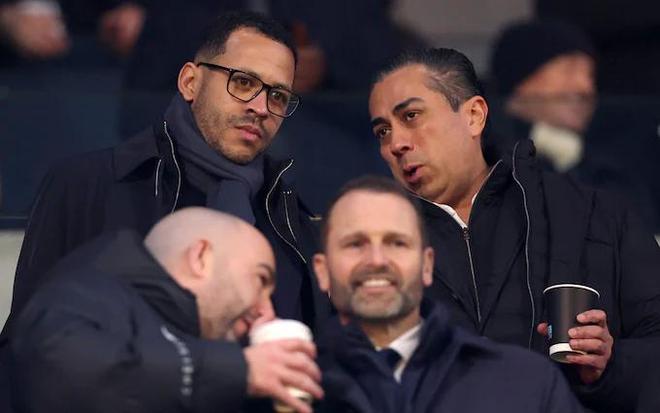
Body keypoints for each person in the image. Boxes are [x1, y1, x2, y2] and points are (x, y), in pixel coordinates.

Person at [1, 11, 331, 409]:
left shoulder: (291, 220)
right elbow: (26, 350)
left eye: (277, 96)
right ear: (190, 81)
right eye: (243, 82)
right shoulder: (88, 183)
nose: (261, 107)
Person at [367, 47, 660, 412]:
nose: (396, 144)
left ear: (474, 115)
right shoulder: (373, 251)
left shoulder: (596, 214)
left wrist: (609, 364)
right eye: (382, 131)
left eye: (411, 116)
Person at [10, 207, 323, 413]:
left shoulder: (187, 349)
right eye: (260, 279)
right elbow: (64, 366)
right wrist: (241, 370)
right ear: (200, 257)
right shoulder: (89, 290)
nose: (266, 311)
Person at [311, 176, 581, 413]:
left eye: (397, 243)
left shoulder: (526, 383)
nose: (377, 260)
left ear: (427, 265)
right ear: (322, 271)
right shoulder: (297, 388)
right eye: (355, 244)